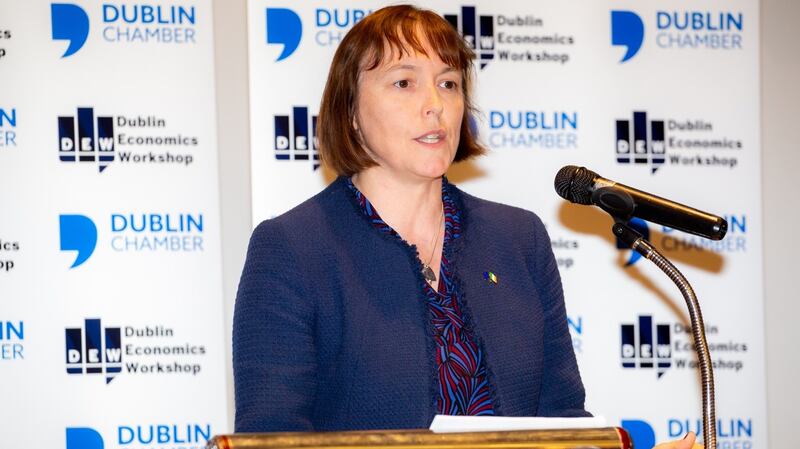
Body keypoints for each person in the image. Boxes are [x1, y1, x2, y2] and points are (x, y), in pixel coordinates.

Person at [233, 5, 701, 449]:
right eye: (403, 83)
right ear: (351, 113)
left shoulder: (519, 239)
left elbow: (562, 421)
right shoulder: (293, 249)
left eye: (449, 83)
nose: (434, 104)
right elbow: (270, 437)